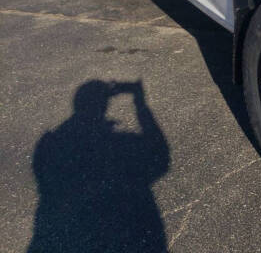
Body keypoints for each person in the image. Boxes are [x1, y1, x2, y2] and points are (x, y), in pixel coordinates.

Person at [28, 80, 169, 252]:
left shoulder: (49, 143)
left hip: (69, 234)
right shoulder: (119, 144)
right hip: (125, 232)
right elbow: (159, 155)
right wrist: (139, 102)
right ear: (104, 105)